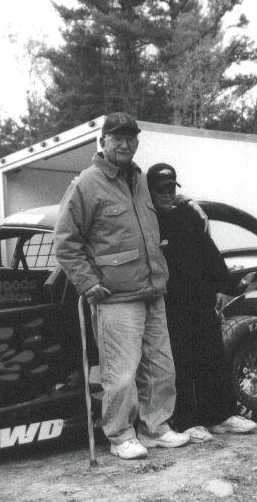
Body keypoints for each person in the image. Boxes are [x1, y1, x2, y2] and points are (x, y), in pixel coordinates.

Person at [54, 113, 190, 460]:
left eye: (130, 138)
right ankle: (119, 435)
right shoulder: (86, 184)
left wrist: (193, 205)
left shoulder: (140, 180)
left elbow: (164, 206)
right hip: (116, 298)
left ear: (137, 143)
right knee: (121, 372)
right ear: (103, 141)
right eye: (117, 138)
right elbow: (66, 242)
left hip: (152, 293)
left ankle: (156, 428)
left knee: (161, 367)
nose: (124, 144)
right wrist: (87, 283)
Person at [147, 163, 257, 441]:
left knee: (212, 356)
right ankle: (187, 422)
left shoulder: (188, 214)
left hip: (201, 298)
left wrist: (222, 287)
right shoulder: (147, 221)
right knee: (180, 362)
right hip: (169, 304)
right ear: (149, 191)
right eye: (161, 190)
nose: (168, 194)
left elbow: (209, 252)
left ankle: (220, 416)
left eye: (172, 188)